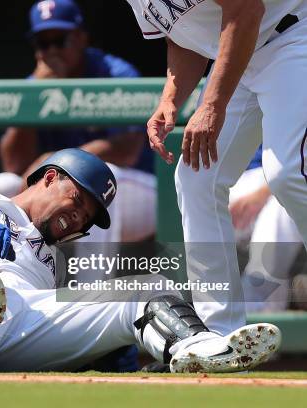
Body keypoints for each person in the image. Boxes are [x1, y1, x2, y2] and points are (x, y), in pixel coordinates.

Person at [0, 148, 281, 373]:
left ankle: (195, 350)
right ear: (50, 178)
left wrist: (112, 347)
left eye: (88, 217)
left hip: (17, 315)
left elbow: (60, 327)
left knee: (149, 286)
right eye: (78, 200)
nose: (79, 218)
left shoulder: (54, 261)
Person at [125, 0, 307, 336]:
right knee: (197, 177)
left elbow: (247, 10)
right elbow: (184, 36)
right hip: (242, 53)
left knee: (289, 172)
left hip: (294, 35)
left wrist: (212, 105)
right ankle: (218, 332)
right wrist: (170, 99)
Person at [0, 0, 156, 244]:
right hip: (65, 191)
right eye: (43, 43)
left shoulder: (113, 73)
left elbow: (128, 149)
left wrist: (60, 160)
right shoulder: (34, 83)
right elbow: (14, 162)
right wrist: (33, 96)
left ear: (82, 38)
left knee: (91, 187)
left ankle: (92, 283)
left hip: (137, 192)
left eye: (60, 40)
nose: (51, 51)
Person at [229, 146, 303, 312]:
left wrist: (265, 192)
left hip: (287, 181)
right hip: (237, 181)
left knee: (283, 208)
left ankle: (257, 312)